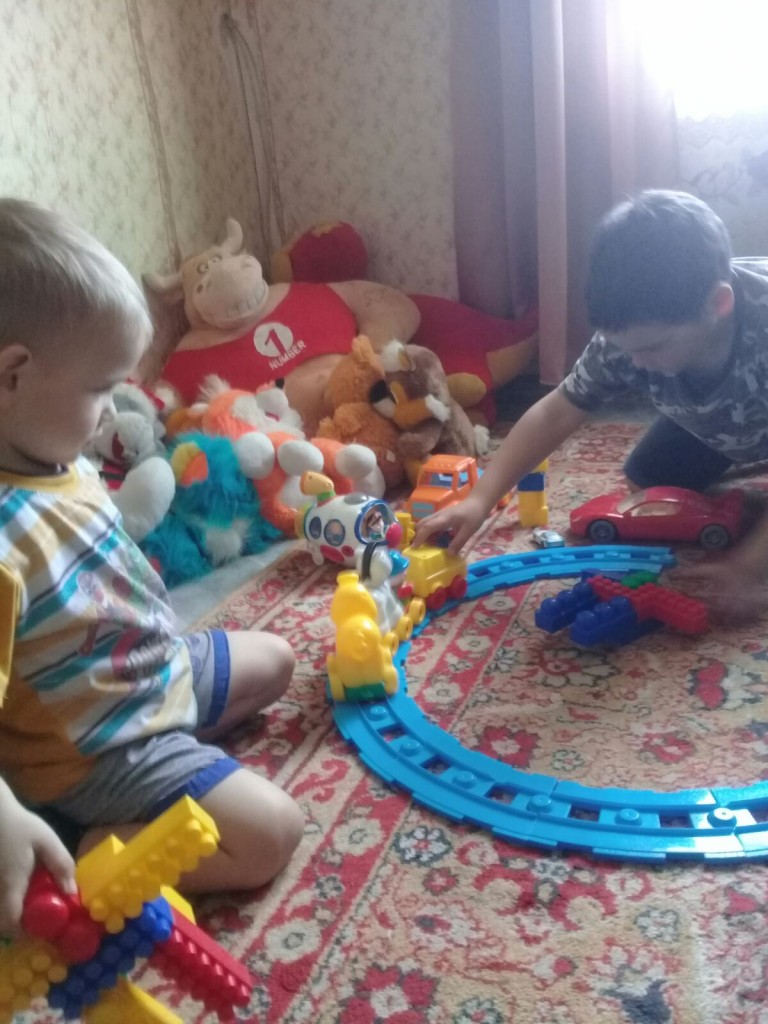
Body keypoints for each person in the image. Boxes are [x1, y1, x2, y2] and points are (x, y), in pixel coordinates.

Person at [0, 199, 304, 935]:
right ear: (14, 375)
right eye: (99, 390)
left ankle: (175, 750)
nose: (112, 414)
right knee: (270, 832)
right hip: (98, 749)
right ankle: (77, 846)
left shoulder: (53, 453)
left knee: (278, 659)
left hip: (146, 669)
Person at [414, 189, 768, 619]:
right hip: (714, 418)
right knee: (648, 480)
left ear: (718, 305)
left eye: (653, 347)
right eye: (626, 348)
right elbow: (556, 411)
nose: (637, 363)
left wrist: (749, 566)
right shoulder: (631, 340)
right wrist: (480, 498)